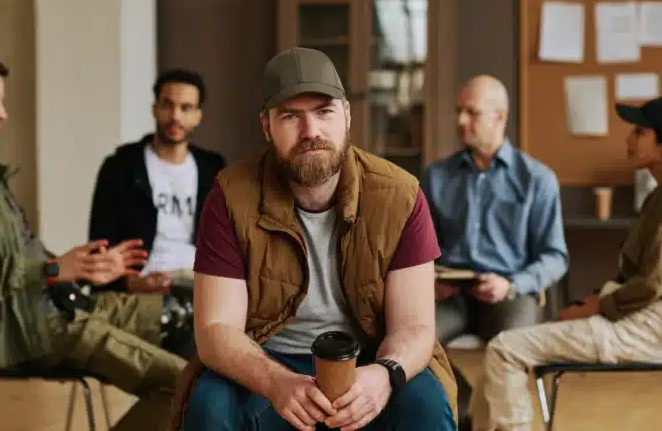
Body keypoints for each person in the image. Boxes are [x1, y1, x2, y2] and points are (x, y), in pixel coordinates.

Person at [170, 47, 458, 430]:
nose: (311, 133)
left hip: (370, 358)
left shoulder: (400, 195)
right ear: (266, 126)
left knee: (425, 405)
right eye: (291, 116)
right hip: (269, 358)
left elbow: (415, 326)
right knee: (210, 404)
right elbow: (215, 332)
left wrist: (385, 374)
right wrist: (276, 382)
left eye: (324, 112)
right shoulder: (230, 197)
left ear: (347, 116)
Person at [0, 50, 187, 430]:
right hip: (20, 335)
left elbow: (27, 263)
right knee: (185, 386)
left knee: (180, 313)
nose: (3, 112)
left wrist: (84, 271)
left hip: (50, 312)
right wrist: (51, 268)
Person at [469, 96, 662, 431]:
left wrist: (597, 306)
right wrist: (592, 303)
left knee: (504, 349)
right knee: (500, 353)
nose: (628, 139)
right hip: (636, 315)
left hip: (647, 326)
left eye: (640, 132)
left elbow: (651, 284)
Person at [420, 75, 569, 425]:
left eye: (472, 113)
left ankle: (501, 423)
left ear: (500, 117)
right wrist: (429, 278)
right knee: (409, 338)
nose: (460, 121)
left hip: (509, 292)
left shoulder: (537, 179)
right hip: (451, 294)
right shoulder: (436, 176)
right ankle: (464, 402)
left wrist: (512, 284)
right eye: (459, 112)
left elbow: (555, 256)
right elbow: (420, 247)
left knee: (511, 348)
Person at [89, 68, 225, 357]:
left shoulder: (214, 169)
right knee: (196, 336)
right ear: (154, 108)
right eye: (167, 105)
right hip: (144, 286)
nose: (175, 116)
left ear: (198, 116)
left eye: (185, 107)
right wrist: (130, 281)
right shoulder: (121, 168)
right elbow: (99, 246)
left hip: (199, 282)